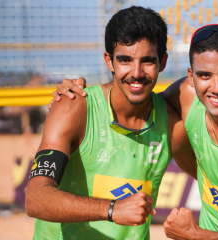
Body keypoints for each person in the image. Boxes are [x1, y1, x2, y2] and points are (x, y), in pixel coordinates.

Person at [52, 24, 218, 239]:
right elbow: (132, 96)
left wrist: (199, 235)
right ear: (190, 77)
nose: (217, 88)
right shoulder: (185, 99)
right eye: (204, 76)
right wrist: (77, 95)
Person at [25, 6, 195, 240]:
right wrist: (113, 209)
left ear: (163, 62)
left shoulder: (173, 125)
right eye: (125, 60)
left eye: (147, 61)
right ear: (109, 60)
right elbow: (35, 198)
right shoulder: (74, 107)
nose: (136, 73)